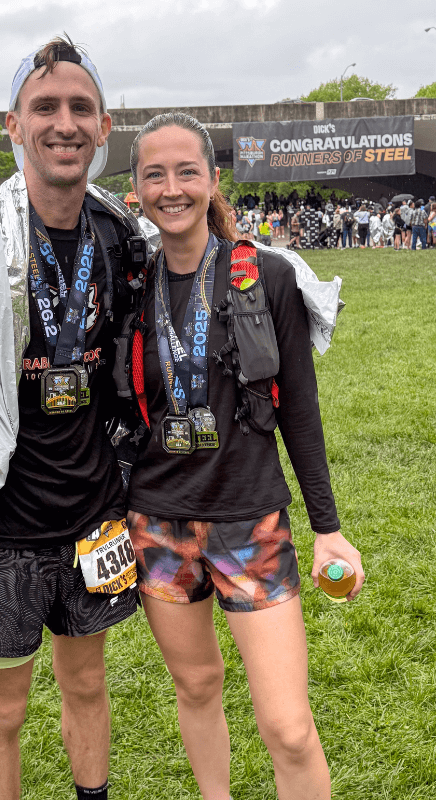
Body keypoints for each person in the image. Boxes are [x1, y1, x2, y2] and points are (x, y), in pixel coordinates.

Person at [125, 112, 364, 800]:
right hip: (157, 523)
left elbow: (301, 411)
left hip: (248, 520)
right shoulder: (129, 285)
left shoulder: (266, 275)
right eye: (154, 174)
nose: (172, 188)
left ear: (213, 179)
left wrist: (327, 526)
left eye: (186, 171)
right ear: (136, 188)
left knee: (288, 726)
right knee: (196, 687)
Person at [0, 36, 144, 800]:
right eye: (45, 107)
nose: (64, 122)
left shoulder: (119, 234)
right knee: (4, 706)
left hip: (94, 513)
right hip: (1, 525)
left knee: (87, 685)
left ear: (103, 126)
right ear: (12, 124)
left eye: (79, 108)